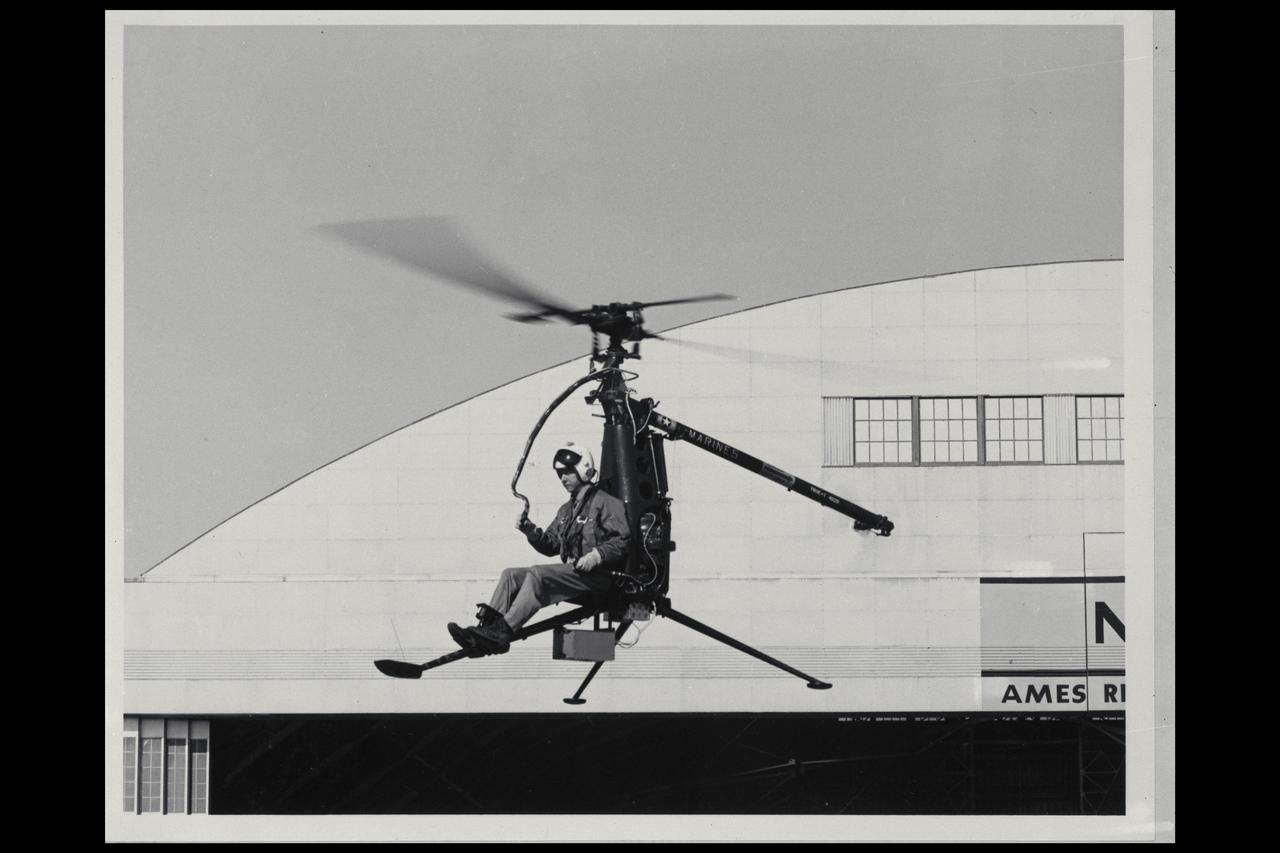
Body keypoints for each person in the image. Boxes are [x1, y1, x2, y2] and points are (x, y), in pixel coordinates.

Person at [449, 442, 631, 655]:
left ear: (584, 470)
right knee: (510, 575)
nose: (563, 479)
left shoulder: (605, 502)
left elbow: (623, 540)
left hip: (598, 576)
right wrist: (531, 533)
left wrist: (596, 555)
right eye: (560, 474)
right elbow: (552, 544)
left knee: (537, 574)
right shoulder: (566, 511)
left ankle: (502, 632)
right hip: (574, 575)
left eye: (567, 473)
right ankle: (484, 632)